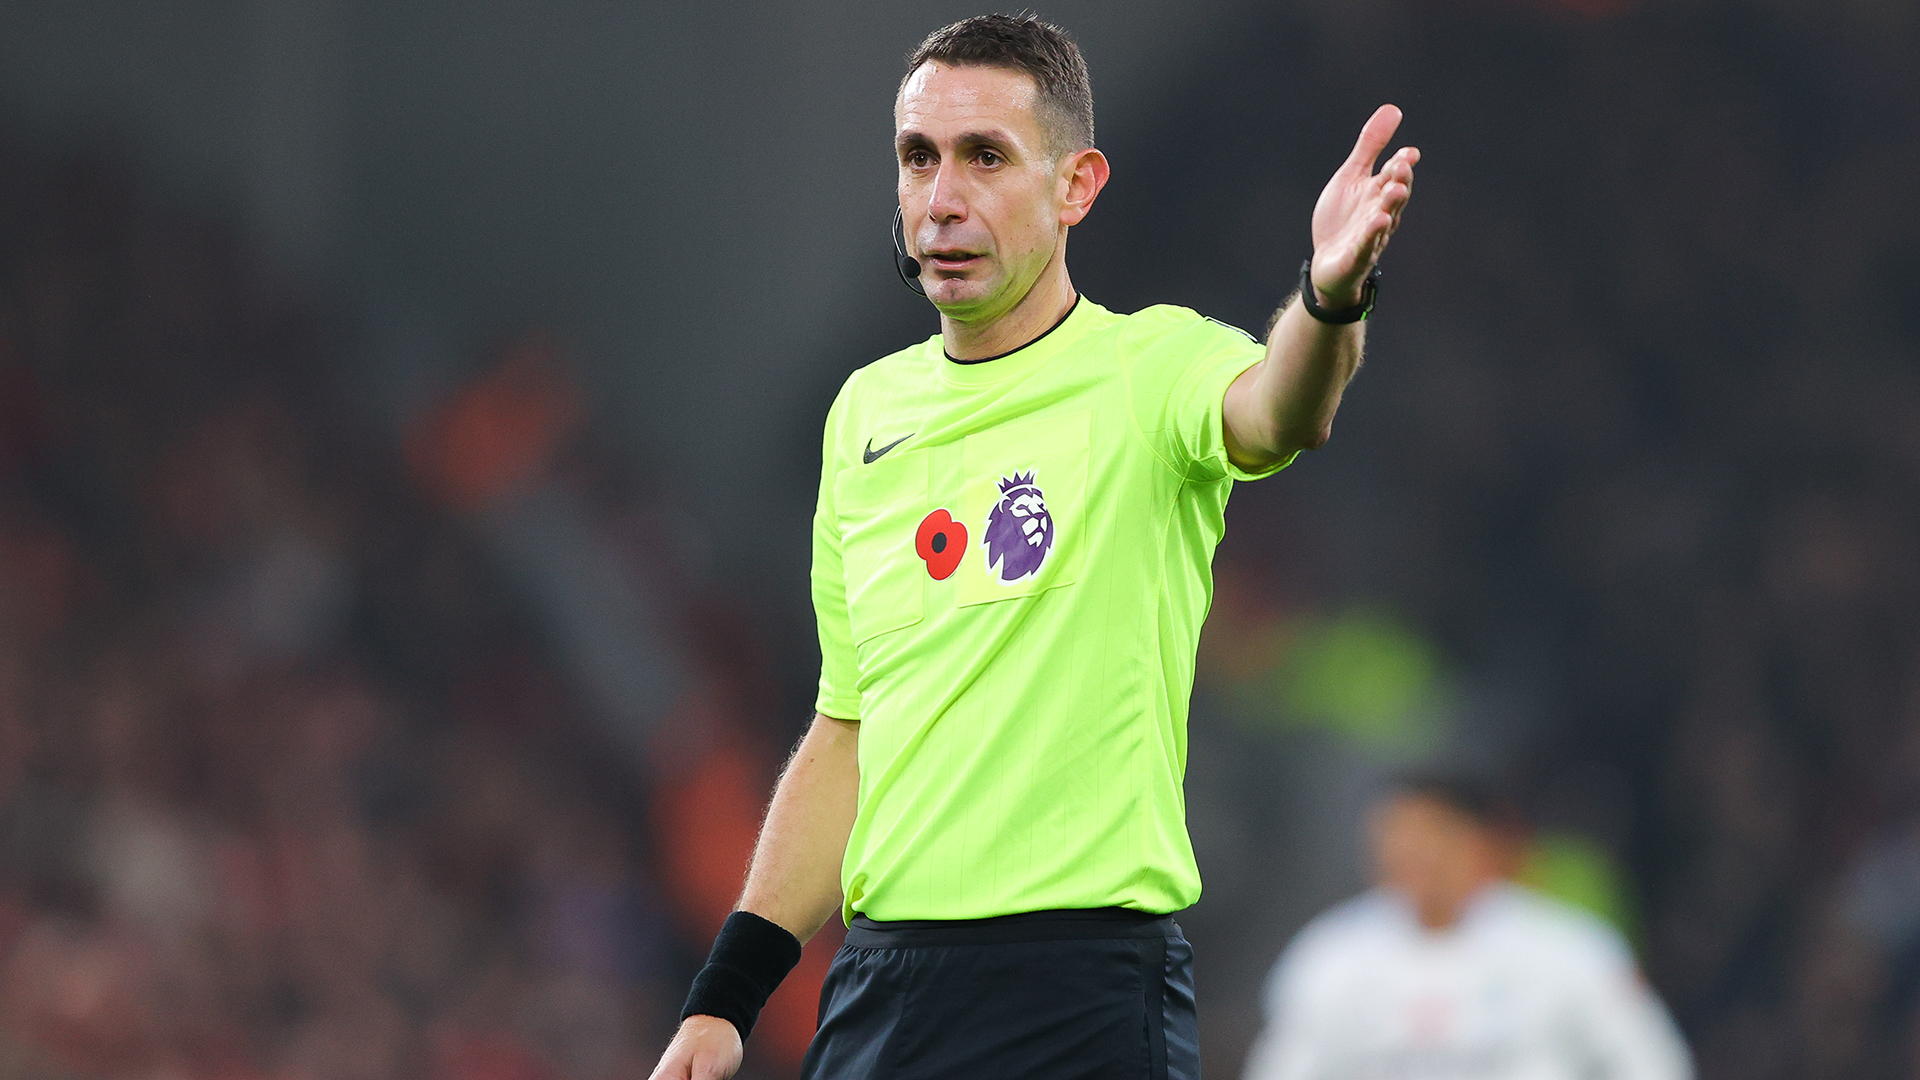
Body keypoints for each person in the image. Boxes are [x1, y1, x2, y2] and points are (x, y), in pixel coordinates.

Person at [649, 13, 1418, 1080]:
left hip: (1081, 990)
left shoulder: (1150, 367)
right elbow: (846, 735)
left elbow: (1280, 412)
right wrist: (723, 1001)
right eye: (920, 158)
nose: (943, 196)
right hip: (884, 987)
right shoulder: (865, 415)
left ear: (1076, 186)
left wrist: (1331, 296)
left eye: (986, 157)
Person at [1240, 775, 1695, 1080]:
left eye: (1430, 834)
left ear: (1478, 842)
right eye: (1396, 837)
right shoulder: (1329, 955)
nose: (1412, 854)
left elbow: (1651, 1065)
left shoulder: (1569, 950)